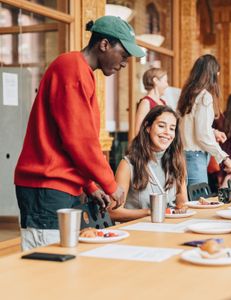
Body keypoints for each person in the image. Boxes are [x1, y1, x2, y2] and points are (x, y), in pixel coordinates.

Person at [14, 16, 145, 250]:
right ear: (104, 44)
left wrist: (91, 186)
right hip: (46, 186)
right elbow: (79, 140)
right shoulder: (72, 68)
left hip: (55, 185)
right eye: (123, 55)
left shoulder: (80, 71)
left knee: (63, 263)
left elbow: (69, 140)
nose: (124, 63)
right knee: (47, 265)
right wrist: (110, 185)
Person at [110, 106, 187, 222]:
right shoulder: (127, 165)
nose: (167, 133)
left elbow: (182, 202)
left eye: (172, 128)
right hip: (138, 232)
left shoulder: (176, 161)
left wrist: (182, 208)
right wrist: (149, 212)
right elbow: (113, 211)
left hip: (170, 228)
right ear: (148, 127)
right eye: (161, 126)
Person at [176, 54, 231, 186]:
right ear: (212, 74)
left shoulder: (188, 94)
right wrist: (224, 157)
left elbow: (191, 125)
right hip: (195, 157)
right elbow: (202, 135)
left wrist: (213, 132)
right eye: (217, 72)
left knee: (189, 201)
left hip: (184, 154)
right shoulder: (204, 97)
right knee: (198, 202)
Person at [135, 68, 169, 135]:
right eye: (165, 81)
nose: (167, 85)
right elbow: (138, 130)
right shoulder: (146, 102)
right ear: (155, 80)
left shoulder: (163, 102)